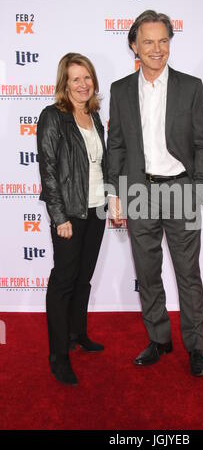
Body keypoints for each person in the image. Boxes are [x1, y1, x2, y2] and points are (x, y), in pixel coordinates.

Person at [107, 10, 203, 377]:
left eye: (164, 41)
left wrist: (198, 187)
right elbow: (116, 145)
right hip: (138, 191)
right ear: (134, 46)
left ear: (171, 43)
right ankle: (159, 339)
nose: (157, 49)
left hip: (181, 188)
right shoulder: (120, 90)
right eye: (148, 41)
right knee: (148, 272)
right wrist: (115, 193)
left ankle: (196, 348)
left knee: (188, 274)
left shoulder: (191, 86)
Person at [37, 53, 107, 385]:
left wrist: (113, 200)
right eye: (75, 79)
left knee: (84, 278)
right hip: (70, 214)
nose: (82, 84)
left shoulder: (95, 117)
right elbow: (48, 170)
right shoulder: (53, 117)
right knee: (63, 281)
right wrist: (59, 215)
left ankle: (78, 334)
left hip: (97, 210)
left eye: (87, 77)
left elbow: (101, 166)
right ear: (65, 84)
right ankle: (58, 355)